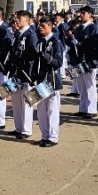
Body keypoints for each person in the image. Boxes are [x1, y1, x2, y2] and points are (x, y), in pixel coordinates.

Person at [32, 16, 64, 147]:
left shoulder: (56, 42)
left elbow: (58, 63)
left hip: (52, 80)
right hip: (41, 79)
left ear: (50, 26)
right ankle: (44, 135)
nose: (40, 28)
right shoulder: (40, 41)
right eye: (40, 25)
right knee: (41, 110)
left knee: (52, 110)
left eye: (43, 26)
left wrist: (44, 56)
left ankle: (53, 137)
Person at [8, 10, 38, 139]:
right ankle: (18, 127)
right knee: (16, 102)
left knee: (26, 102)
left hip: (26, 72)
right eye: (16, 18)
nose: (17, 21)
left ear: (27, 20)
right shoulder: (17, 34)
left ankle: (26, 129)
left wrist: (20, 55)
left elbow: (33, 53)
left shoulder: (31, 35)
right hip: (16, 71)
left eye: (19, 18)